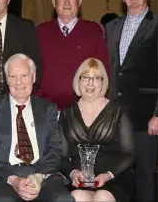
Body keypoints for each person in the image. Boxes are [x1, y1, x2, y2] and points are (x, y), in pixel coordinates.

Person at [0, 53, 73, 202]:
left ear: (34, 77)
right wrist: (14, 180)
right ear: (6, 80)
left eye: (24, 76)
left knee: (62, 198)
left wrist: (39, 176)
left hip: (42, 173)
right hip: (5, 176)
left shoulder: (48, 109)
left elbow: (55, 149)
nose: (19, 82)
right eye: (13, 77)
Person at [105, 0, 158, 202]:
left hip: (146, 116)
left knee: (145, 177)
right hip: (116, 115)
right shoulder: (112, 27)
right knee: (119, 177)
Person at [58, 58, 136, 202]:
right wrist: (72, 173)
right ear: (78, 81)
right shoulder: (67, 113)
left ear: (103, 82)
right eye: (85, 77)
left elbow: (130, 154)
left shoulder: (118, 110)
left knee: (102, 197)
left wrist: (108, 175)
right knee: (77, 197)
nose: (90, 83)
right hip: (81, 182)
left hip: (114, 178)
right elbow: (60, 155)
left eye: (96, 78)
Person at [35, 0, 109, 111]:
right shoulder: (40, 31)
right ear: (54, 2)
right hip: (45, 110)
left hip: (83, 111)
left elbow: (103, 72)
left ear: (79, 2)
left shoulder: (93, 31)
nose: (67, 3)